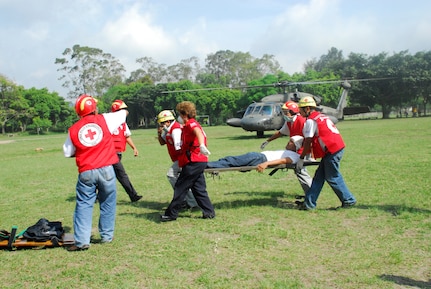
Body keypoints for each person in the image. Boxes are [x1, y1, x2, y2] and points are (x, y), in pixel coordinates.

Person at [63, 94, 128, 251]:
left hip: (86, 170)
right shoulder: (105, 119)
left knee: (84, 204)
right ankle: (106, 235)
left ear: (78, 112)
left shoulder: (74, 129)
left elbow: (67, 152)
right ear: (94, 108)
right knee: (108, 202)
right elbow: (124, 113)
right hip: (107, 169)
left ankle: (82, 241)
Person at [295, 96, 356, 210]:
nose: (299, 111)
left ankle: (349, 200)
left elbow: (308, 141)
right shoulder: (320, 116)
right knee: (319, 177)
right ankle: (309, 203)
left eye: (301, 109)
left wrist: (301, 158)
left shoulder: (310, 121)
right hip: (335, 147)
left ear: (307, 109)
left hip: (332, 150)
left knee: (332, 177)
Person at [160, 101, 215, 222]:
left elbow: (198, 132)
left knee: (180, 187)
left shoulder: (191, 124)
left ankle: (171, 214)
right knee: (198, 189)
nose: (178, 117)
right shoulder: (187, 126)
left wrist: (201, 145)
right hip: (199, 161)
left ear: (184, 114)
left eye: (180, 114)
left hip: (193, 161)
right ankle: (209, 212)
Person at [260, 101, 312, 193]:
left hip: (304, 151)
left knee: (300, 170)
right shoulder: (289, 122)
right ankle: (310, 192)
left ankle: (311, 193)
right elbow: (280, 133)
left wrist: (303, 155)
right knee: (299, 171)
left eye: (286, 112)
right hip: (296, 151)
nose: (284, 114)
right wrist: (268, 141)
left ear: (293, 111)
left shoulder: (302, 121)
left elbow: (309, 139)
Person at [156, 109, 199, 209]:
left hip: (182, 158)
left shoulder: (175, 130)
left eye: (162, 123)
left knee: (172, 175)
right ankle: (188, 200)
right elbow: (162, 142)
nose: (161, 125)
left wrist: (182, 162)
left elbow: (179, 147)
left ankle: (186, 200)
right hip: (179, 158)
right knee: (182, 180)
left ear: (167, 121)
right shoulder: (168, 129)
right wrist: (159, 134)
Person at [207, 136, 303, 173]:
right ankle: (211, 165)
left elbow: (283, 161)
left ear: (296, 146)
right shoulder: (291, 153)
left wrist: (266, 164)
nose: (288, 143)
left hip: (260, 158)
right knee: (233, 161)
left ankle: (207, 165)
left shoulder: (295, 156)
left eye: (291, 142)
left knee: (232, 161)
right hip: (259, 157)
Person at [111, 100, 142, 203]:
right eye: (123, 109)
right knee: (121, 174)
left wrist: (134, 148)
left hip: (118, 153)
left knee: (107, 175)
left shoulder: (122, 123)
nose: (126, 111)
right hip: (111, 153)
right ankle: (133, 195)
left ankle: (97, 196)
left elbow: (127, 136)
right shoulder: (108, 122)